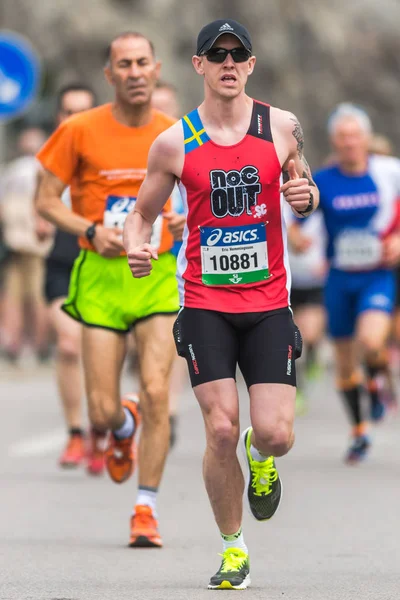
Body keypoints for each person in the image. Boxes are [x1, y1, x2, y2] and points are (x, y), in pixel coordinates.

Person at [124, 19, 319, 589]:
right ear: (199, 65)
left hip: (268, 303)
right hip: (205, 303)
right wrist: (137, 244)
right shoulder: (174, 142)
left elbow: (301, 189)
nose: (229, 63)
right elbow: (143, 212)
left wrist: (305, 197)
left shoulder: (281, 126)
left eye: (239, 54)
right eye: (218, 54)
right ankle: (234, 549)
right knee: (218, 429)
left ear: (251, 66)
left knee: (275, 433)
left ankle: (262, 462)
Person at [36, 32, 180, 547]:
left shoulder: (178, 133)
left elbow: (203, 197)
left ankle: (146, 509)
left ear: (157, 69)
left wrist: (183, 223)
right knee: (100, 411)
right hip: (100, 275)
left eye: (144, 62)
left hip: (158, 273)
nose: (136, 71)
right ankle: (122, 427)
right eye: (125, 64)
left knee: (159, 389)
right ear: (110, 75)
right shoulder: (79, 130)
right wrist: (90, 230)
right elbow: (46, 200)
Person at [314, 103, 400, 464]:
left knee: (372, 340)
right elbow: (292, 214)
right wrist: (295, 236)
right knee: (345, 365)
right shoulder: (323, 179)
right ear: (334, 141)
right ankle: (359, 430)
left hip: (377, 275)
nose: (350, 143)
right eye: (342, 137)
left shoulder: (388, 172)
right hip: (339, 279)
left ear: (366, 139)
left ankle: (379, 378)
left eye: (355, 136)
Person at [36, 83, 100, 471]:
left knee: (97, 351)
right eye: (68, 111)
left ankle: (102, 429)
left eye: (83, 111)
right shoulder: (47, 159)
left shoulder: (104, 154)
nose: (74, 119)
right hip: (61, 263)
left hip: (99, 264)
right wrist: (38, 224)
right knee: (69, 344)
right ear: (58, 117)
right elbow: (37, 203)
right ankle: (76, 432)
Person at [151, 80, 188, 448]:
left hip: (177, 255)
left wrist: (184, 222)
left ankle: (171, 409)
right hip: (140, 256)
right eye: (154, 107)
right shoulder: (141, 145)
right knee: (140, 346)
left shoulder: (190, 142)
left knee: (170, 339)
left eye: (167, 108)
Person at [0, 127, 51, 362]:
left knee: (14, 296)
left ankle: (14, 344)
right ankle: (40, 345)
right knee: (38, 297)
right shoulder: (47, 170)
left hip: (15, 244)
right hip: (40, 246)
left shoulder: (12, 171)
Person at [285, 207, 327, 414]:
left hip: (313, 281)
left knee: (310, 336)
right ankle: (297, 390)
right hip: (287, 282)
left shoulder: (319, 210)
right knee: (294, 341)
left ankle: (313, 356)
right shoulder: (279, 208)